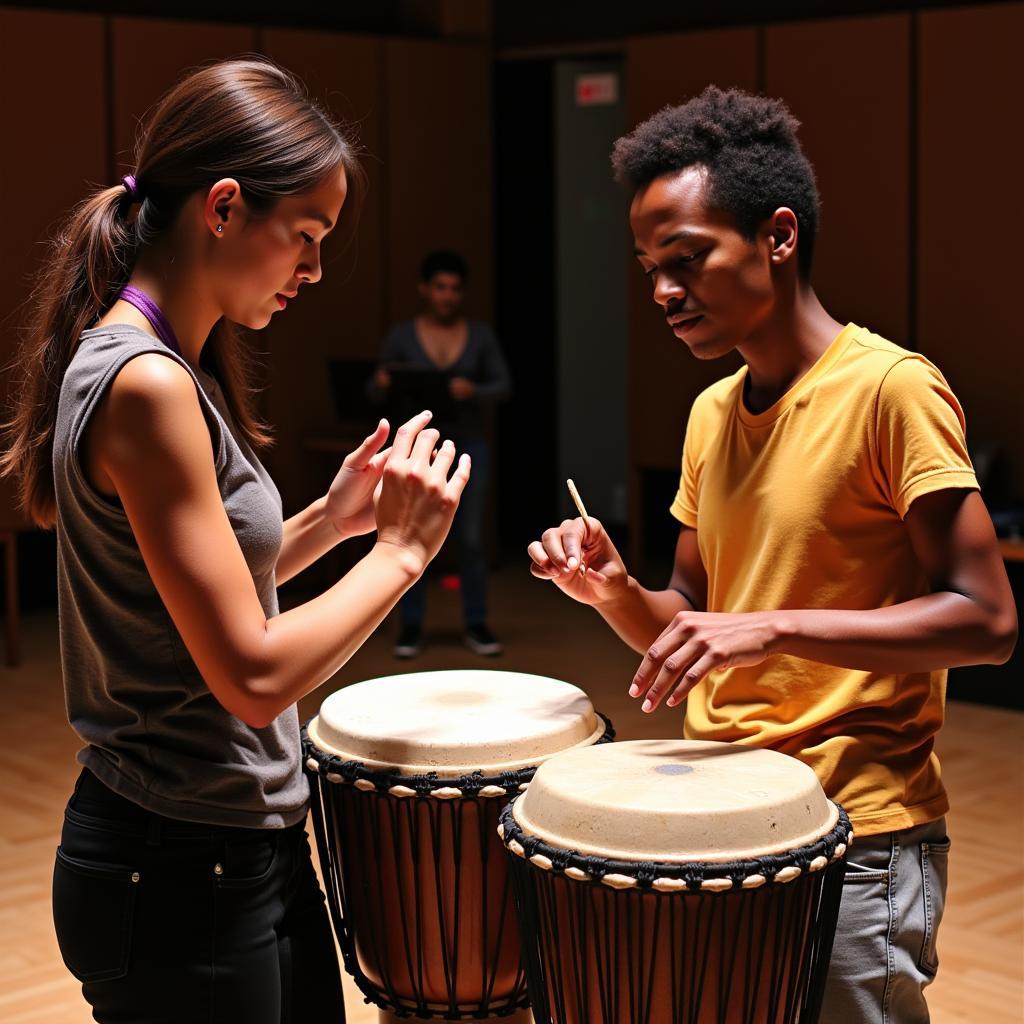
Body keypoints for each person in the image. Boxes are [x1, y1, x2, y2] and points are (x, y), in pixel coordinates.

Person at [527, 86, 1017, 1022]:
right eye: (648, 268)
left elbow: (989, 621)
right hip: (719, 814)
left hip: (858, 829)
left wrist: (777, 627)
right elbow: (690, 617)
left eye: (687, 259)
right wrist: (613, 591)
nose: (665, 292)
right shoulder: (713, 413)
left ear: (778, 237)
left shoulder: (890, 391)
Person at [0, 59, 470, 1023]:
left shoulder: (171, 365)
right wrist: (402, 555)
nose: (315, 268)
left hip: (226, 848)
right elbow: (251, 674)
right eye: (305, 235)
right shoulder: (146, 383)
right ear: (222, 207)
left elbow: (190, 591)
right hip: (173, 866)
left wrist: (330, 526)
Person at [369, 250, 510, 658]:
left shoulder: (479, 335)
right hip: (418, 448)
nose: (448, 296)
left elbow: (504, 385)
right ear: (425, 290)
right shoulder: (401, 335)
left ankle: (477, 623)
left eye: (455, 289)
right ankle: (410, 626)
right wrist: (381, 381)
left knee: (469, 537)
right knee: (408, 533)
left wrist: (474, 391)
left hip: (468, 446)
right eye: (440, 287)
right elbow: (372, 391)